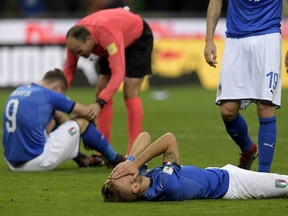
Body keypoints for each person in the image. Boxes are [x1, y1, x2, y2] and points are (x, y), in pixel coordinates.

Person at [203, 0, 282, 172]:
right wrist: (209, 40)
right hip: (236, 39)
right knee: (228, 111)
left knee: (266, 106)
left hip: (268, 36)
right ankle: (248, 150)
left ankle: (263, 175)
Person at [63, 7, 154, 155]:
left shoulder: (107, 35)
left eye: (80, 52)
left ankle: (134, 151)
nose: (79, 56)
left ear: (89, 39)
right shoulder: (74, 40)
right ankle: (104, 150)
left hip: (137, 38)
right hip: (109, 41)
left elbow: (119, 74)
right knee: (101, 88)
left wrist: (99, 103)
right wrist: (56, 97)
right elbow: (68, 70)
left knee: (130, 90)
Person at [102, 132, 288, 202]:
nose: (121, 172)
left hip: (216, 173)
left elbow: (145, 136)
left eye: (115, 174)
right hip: (233, 185)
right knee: (283, 185)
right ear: (134, 188)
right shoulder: (165, 186)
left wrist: (130, 160)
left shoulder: (142, 180)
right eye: (120, 177)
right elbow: (169, 139)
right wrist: (134, 163)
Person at [2, 69, 125, 171]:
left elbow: (60, 118)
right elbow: (88, 112)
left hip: (12, 163)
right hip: (35, 161)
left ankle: (82, 158)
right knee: (83, 121)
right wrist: (89, 127)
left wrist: (78, 133)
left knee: (55, 119)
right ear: (57, 87)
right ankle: (116, 159)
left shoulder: (20, 90)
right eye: (62, 93)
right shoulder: (48, 94)